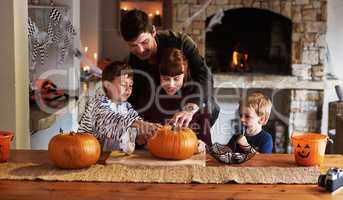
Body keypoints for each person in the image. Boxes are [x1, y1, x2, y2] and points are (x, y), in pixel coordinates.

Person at [120, 9, 220, 139]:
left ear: (153, 31)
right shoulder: (131, 63)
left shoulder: (181, 42)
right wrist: (138, 126)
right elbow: (133, 101)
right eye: (133, 45)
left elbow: (204, 77)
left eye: (144, 42)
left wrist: (189, 108)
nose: (140, 50)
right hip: (157, 110)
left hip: (191, 100)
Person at [78, 61, 160, 154]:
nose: (128, 89)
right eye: (123, 85)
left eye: (130, 85)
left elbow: (134, 130)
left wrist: (142, 136)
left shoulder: (127, 108)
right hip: (89, 155)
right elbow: (112, 121)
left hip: (112, 159)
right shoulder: (98, 104)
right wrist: (142, 124)